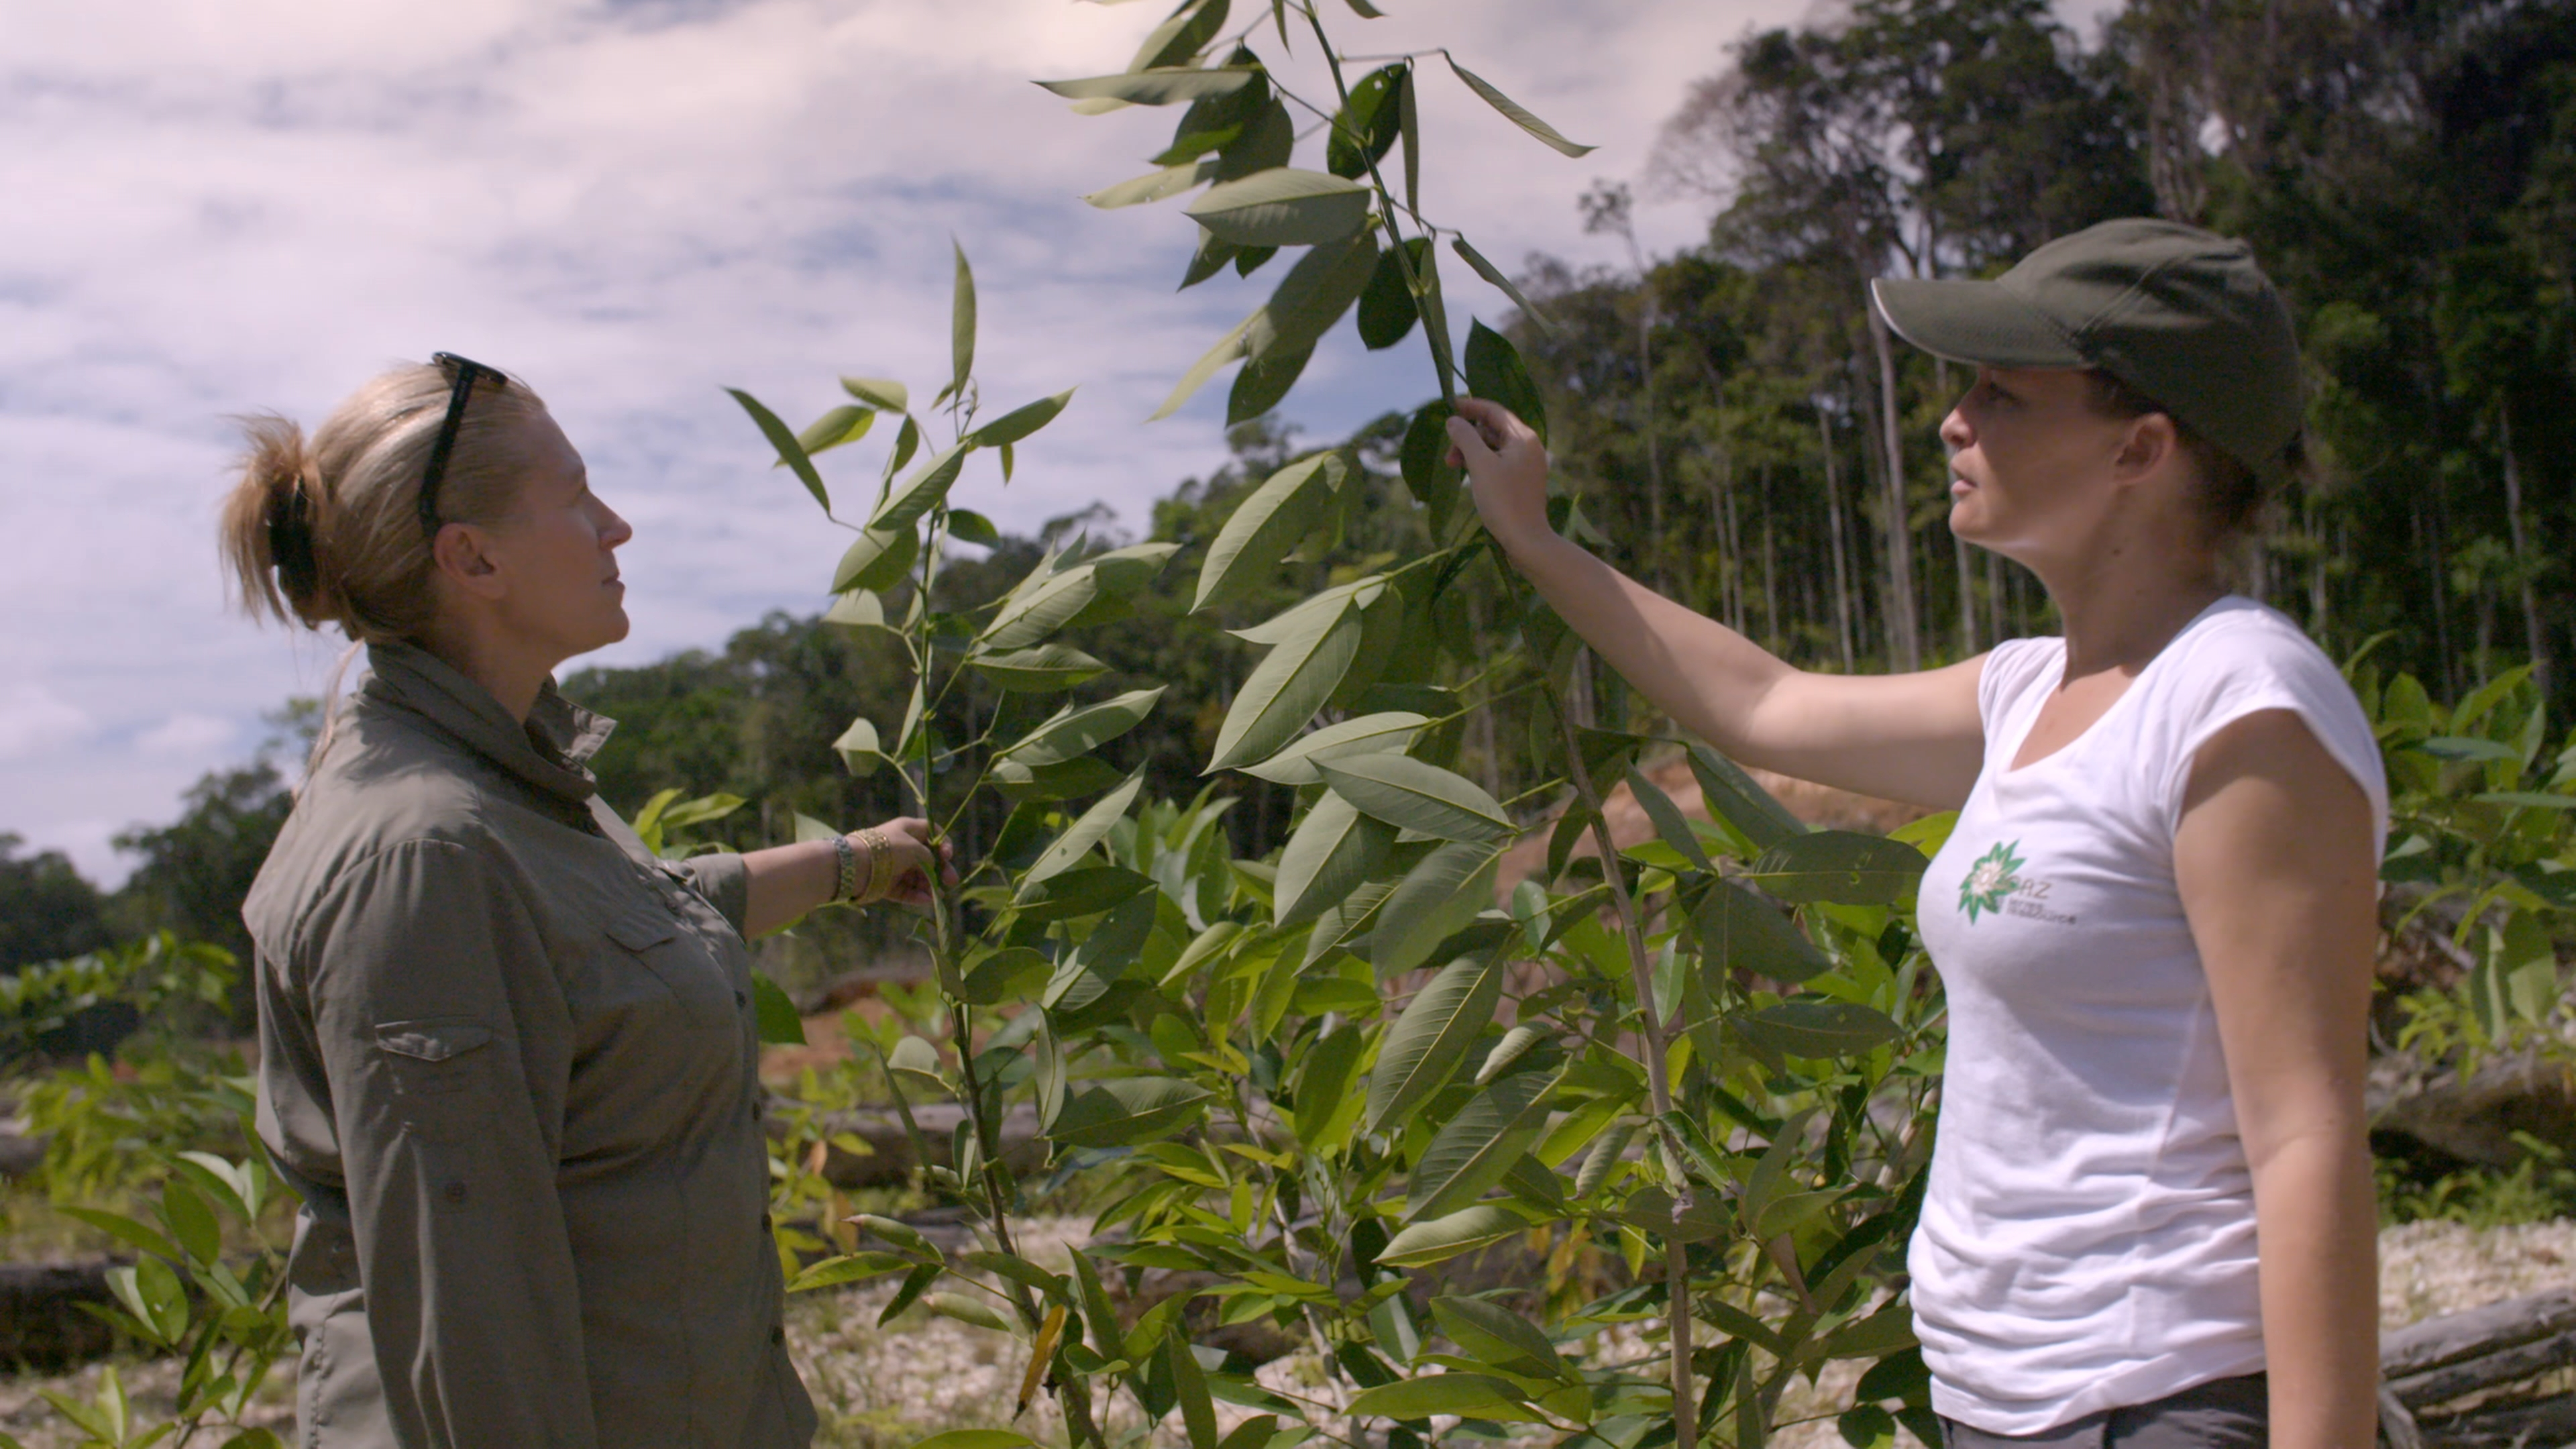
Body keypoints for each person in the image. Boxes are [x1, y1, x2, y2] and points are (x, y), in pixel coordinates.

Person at [1448, 219, 2385, 1446]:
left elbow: (2310, 1136)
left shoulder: (2239, 711)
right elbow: (1763, 704)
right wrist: (1536, 537)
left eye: (2003, 392)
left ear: (2142, 446)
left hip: (2162, 1402)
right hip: (2000, 1401)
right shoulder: (2024, 692)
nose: (1954, 418)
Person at [219, 354, 947, 1448]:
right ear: (473, 558)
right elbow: (473, 1326)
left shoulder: (505, 776)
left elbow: (616, 935)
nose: (617, 528)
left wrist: (850, 861)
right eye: (576, 497)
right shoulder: (421, 858)